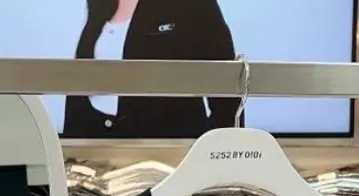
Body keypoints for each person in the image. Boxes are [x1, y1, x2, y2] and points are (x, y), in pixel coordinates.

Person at [63, 0, 238, 139]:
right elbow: (81, 81)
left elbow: (227, 88)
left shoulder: (192, 5)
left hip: (167, 150)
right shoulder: (99, 5)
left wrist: (220, 154)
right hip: (96, 147)